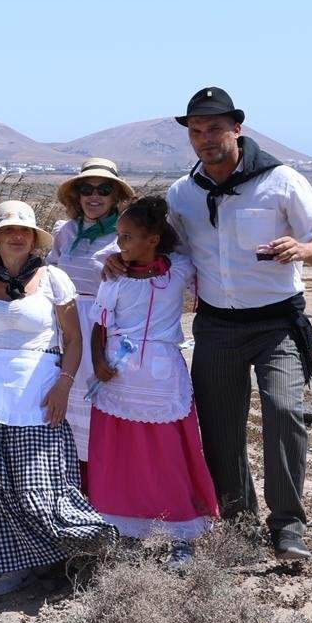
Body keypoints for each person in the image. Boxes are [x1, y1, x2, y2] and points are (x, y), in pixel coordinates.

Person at [163, 86, 312, 564]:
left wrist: (301, 249)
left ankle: (288, 527)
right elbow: (172, 251)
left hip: (277, 323)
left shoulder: (282, 181)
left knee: (284, 413)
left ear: (237, 128)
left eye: (214, 128)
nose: (205, 139)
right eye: (196, 131)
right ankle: (239, 525)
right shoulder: (183, 193)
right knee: (220, 428)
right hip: (217, 326)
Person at [0, 201, 113, 596]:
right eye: (8, 229)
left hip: (40, 388)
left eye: (24, 230)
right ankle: (22, 563)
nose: (17, 236)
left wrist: (64, 384)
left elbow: (73, 340)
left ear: (33, 237)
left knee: (39, 483)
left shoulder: (54, 279)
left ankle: (89, 549)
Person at [86, 197, 219, 565]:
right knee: (121, 456)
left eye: (127, 237)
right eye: (118, 237)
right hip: (119, 379)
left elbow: (192, 251)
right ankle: (126, 530)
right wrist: (98, 362)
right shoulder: (113, 277)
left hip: (162, 380)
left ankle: (181, 535)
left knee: (168, 455)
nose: (119, 245)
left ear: (154, 239)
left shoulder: (177, 271)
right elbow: (99, 326)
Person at [48, 158, 133, 474]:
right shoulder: (65, 232)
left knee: (101, 404)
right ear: (77, 194)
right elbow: (50, 273)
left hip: (103, 329)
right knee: (65, 404)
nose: (94, 196)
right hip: (65, 327)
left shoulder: (125, 234)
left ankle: (104, 484)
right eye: (87, 189)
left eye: (104, 189)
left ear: (115, 196)